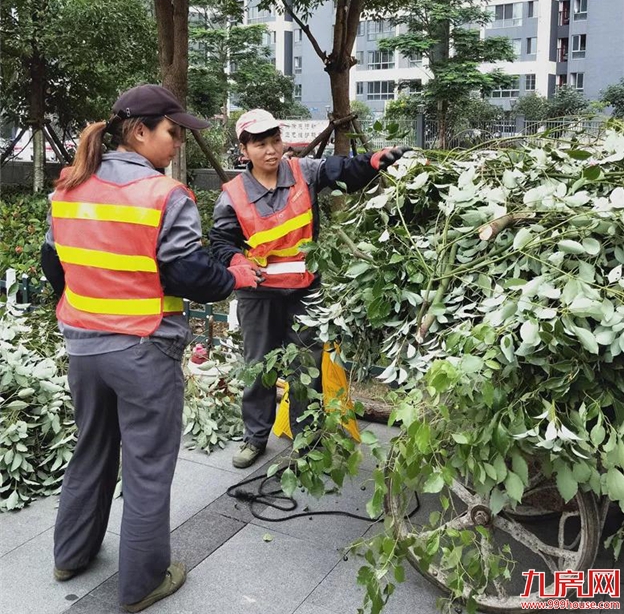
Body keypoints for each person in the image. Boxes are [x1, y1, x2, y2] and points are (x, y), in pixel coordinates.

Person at [41, 84, 261, 613]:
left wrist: (93, 306)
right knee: (146, 465)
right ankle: (141, 584)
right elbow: (187, 271)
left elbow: (55, 267)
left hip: (85, 348)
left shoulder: (68, 188)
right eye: (173, 130)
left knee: (92, 448)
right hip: (142, 348)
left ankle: (70, 556)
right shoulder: (165, 194)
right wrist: (233, 274)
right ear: (140, 131)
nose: (178, 141)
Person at [210, 108, 409, 468]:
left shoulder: (304, 172)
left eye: (275, 141)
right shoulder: (232, 196)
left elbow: (344, 169)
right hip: (259, 293)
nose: (270, 150)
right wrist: (237, 262)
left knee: (306, 365)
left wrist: (375, 161)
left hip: (305, 289)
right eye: (260, 144)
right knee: (259, 366)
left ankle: (306, 439)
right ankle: (255, 438)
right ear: (244, 150)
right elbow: (221, 242)